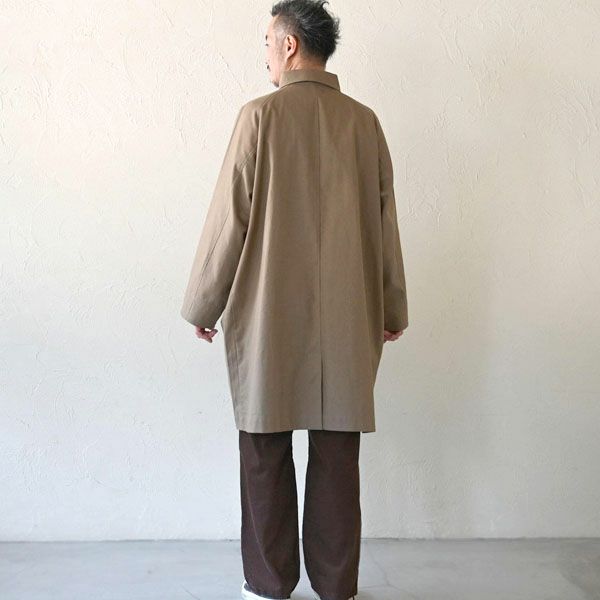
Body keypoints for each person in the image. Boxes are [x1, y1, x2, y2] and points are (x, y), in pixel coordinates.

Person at [180, 1, 408, 599]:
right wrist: (391, 307)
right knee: (337, 452)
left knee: (263, 444)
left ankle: (269, 584)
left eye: (267, 42)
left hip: (267, 313)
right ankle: (336, 586)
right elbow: (385, 224)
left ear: (288, 46)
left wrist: (204, 304)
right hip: (347, 314)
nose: (265, 54)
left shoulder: (259, 117)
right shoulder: (364, 123)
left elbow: (229, 219)